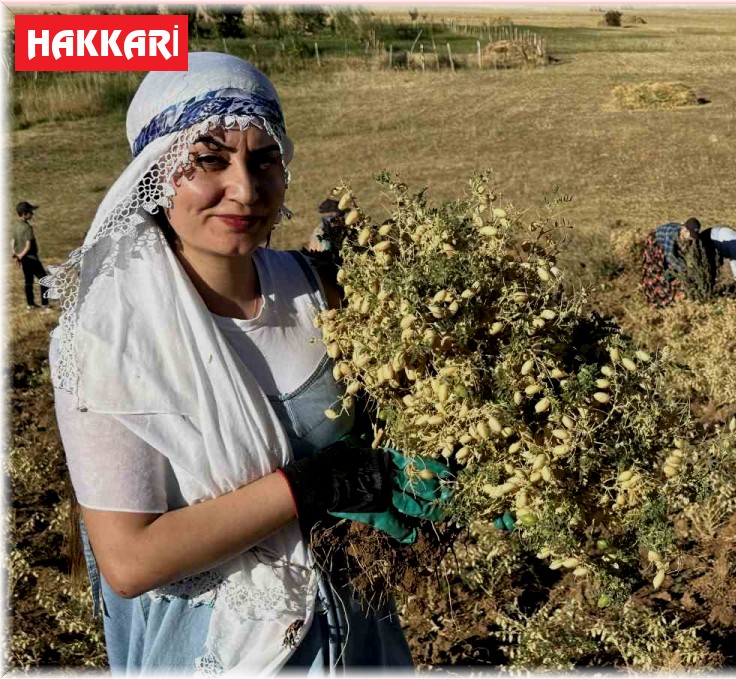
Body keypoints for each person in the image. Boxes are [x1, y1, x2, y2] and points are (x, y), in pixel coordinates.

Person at [45, 52, 440, 674]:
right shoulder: (108, 338)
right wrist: (315, 485)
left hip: (357, 633)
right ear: (155, 174)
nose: (246, 189)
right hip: (224, 648)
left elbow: (405, 425)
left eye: (263, 161)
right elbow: (130, 562)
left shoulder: (323, 291)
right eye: (210, 160)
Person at [639, 217, 702, 307]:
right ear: (685, 230)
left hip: (669, 245)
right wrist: (686, 271)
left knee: (676, 267)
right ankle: (656, 299)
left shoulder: (685, 236)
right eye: (691, 235)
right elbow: (670, 258)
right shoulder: (671, 236)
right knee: (655, 271)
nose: (691, 239)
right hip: (656, 243)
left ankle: (673, 288)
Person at [12, 201, 51, 310]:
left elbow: (13, 242)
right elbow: (28, 246)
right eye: (30, 212)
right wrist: (20, 256)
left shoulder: (15, 225)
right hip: (30, 258)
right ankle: (45, 305)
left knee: (28, 280)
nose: (32, 214)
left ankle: (30, 304)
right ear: (24, 214)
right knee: (44, 279)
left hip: (23, 259)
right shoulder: (27, 228)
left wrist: (16, 256)